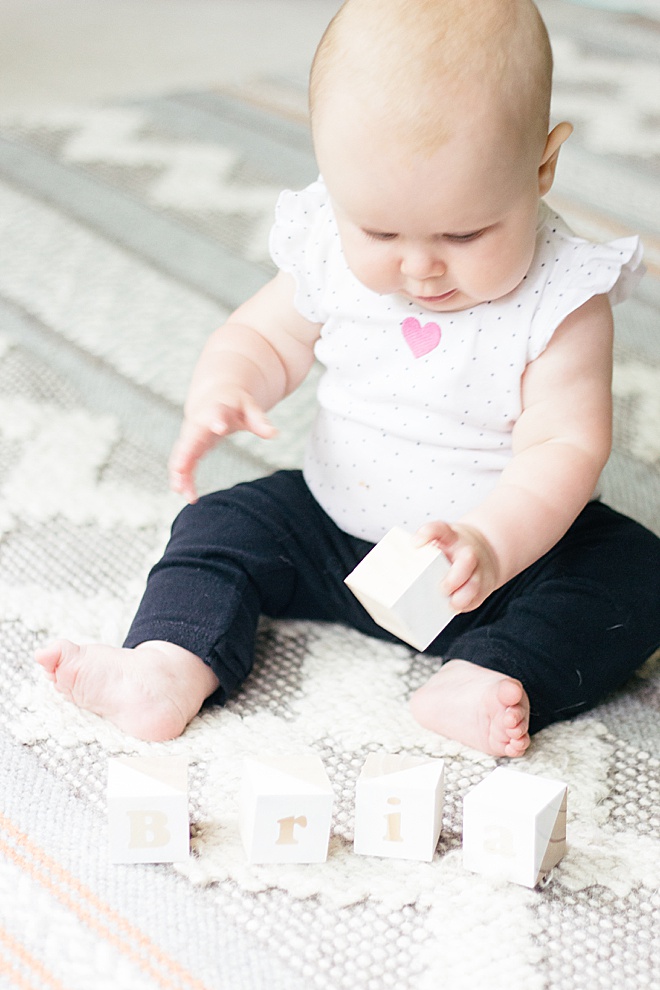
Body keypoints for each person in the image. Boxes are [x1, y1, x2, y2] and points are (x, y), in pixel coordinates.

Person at [36, 0, 660, 757]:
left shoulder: (563, 298)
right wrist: (229, 383)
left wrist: (490, 544)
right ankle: (169, 663)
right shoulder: (330, 246)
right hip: (330, 528)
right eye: (381, 231)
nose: (421, 266)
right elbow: (262, 335)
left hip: (498, 565)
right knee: (220, 525)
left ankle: (491, 672)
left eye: (465, 233)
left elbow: (565, 445)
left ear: (542, 165)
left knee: (635, 572)